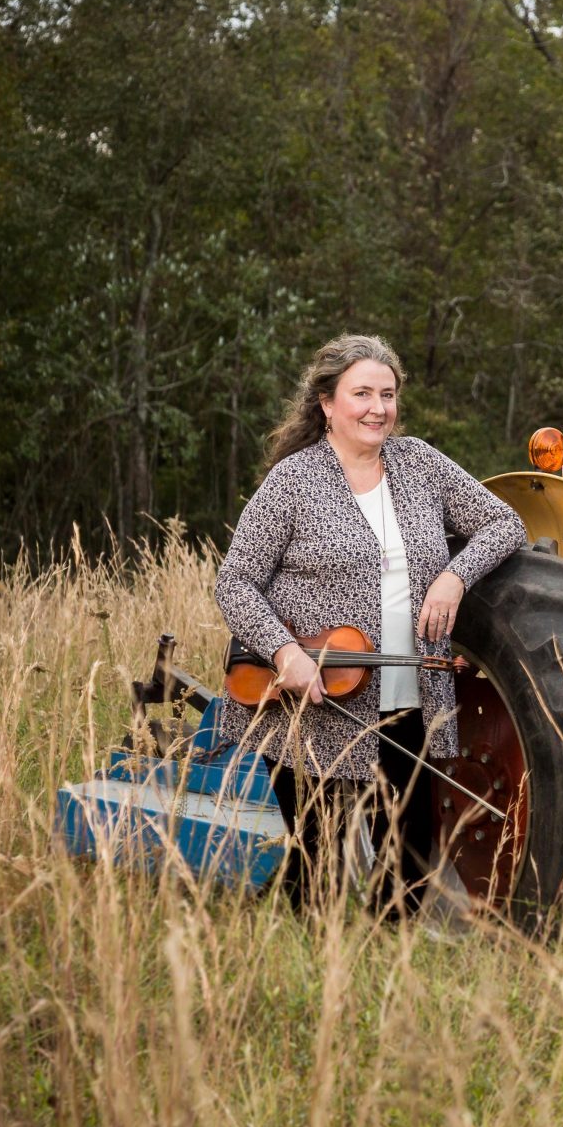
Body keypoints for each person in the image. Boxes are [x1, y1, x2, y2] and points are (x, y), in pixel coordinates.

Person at [214, 334, 523, 914]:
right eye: (362, 393)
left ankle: (390, 978)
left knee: (407, 870)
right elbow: (234, 582)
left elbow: (504, 523)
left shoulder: (419, 463)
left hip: (411, 698)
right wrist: (285, 653)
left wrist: (456, 576)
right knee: (318, 869)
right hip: (319, 700)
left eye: (387, 393)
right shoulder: (293, 481)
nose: (377, 407)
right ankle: (309, 973)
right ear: (327, 404)